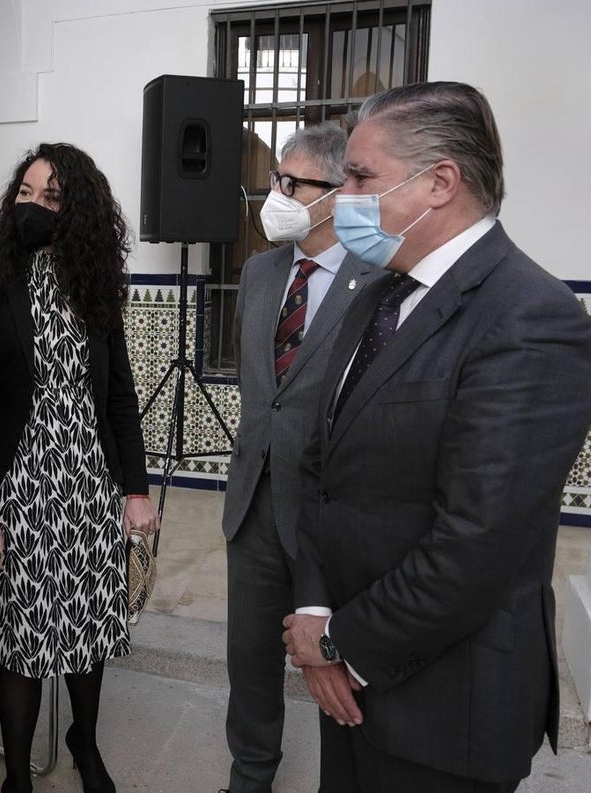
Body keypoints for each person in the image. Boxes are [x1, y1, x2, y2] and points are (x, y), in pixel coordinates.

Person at [281, 81, 591, 792]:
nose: (343, 196)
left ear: (440, 183)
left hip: (445, 716)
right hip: (347, 690)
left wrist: (339, 643)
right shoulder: (376, 293)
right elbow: (318, 466)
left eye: (361, 177)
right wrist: (312, 609)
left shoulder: (532, 319)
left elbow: (475, 545)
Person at [0, 142, 159, 793]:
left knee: (88, 626)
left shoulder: (95, 283)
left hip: (89, 482)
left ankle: (84, 743)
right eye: (26, 192)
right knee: (24, 634)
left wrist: (135, 488)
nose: (33, 205)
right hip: (18, 486)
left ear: (79, 211)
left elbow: (119, 392)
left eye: (52, 196)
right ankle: (17, 774)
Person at [219, 124, 386, 793]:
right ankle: (250, 775)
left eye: (291, 184)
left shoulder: (377, 282)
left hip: (333, 512)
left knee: (339, 665)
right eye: (273, 181)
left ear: (336, 191)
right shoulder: (260, 272)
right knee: (249, 661)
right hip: (253, 501)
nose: (274, 195)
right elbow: (264, 394)